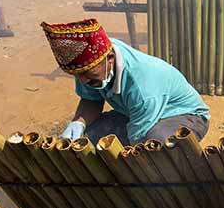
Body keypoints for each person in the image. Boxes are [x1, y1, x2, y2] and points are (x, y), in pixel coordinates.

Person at [43, 18, 210, 146]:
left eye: (87, 74)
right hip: (135, 112)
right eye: (78, 75)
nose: (83, 80)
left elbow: (138, 140)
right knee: (90, 136)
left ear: (110, 59)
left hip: (184, 116)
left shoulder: (142, 86)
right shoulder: (91, 63)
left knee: (155, 145)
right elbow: (91, 100)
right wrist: (78, 123)